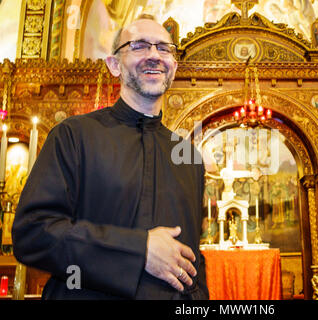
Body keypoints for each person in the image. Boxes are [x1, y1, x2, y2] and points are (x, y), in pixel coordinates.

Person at [12, 16, 209, 300]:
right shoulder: (73, 136)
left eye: (164, 49)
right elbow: (33, 235)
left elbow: (192, 263)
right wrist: (139, 250)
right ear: (114, 65)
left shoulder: (189, 158)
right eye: (139, 46)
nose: (154, 55)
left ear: (174, 67)